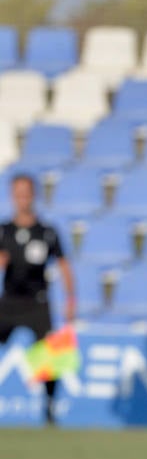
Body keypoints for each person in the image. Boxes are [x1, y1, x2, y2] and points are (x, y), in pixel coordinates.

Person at [0, 173, 77, 425]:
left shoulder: (47, 232)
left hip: (38, 302)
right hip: (9, 300)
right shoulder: (4, 231)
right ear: (13, 196)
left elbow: (64, 265)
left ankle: (50, 410)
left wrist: (70, 299)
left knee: (49, 358)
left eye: (27, 192)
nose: (23, 197)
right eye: (18, 192)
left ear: (34, 195)